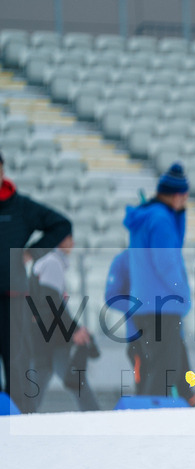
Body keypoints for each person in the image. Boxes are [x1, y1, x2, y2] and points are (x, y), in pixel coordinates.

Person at [0, 149, 73, 411]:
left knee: (17, 362)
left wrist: (31, 252)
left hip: (14, 297)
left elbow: (62, 225)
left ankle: (17, 420)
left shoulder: (21, 207)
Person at [123, 161, 195, 405]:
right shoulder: (161, 219)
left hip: (144, 305)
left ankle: (146, 415)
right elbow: (167, 263)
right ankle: (151, 419)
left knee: (154, 366)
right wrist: (183, 295)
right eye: (185, 197)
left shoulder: (146, 217)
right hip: (163, 305)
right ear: (177, 195)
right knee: (166, 368)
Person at [24, 234, 101, 411]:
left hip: (44, 335)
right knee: (72, 381)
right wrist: (75, 329)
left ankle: (22, 419)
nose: (72, 243)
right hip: (52, 336)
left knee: (39, 382)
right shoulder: (52, 262)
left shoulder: (44, 262)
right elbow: (52, 302)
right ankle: (97, 419)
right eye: (68, 238)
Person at [103, 249, 143, 395]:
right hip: (139, 337)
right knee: (146, 386)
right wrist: (140, 308)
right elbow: (111, 296)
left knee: (174, 384)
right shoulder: (124, 259)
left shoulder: (163, 255)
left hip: (169, 333)